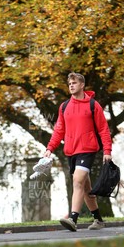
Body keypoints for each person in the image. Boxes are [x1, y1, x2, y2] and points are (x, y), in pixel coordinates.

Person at [43, 72, 112, 232]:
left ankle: (73, 218)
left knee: (78, 181)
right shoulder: (64, 106)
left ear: (82, 85)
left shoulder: (93, 105)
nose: (71, 86)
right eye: (69, 84)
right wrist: (49, 148)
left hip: (87, 149)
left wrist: (107, 150)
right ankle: (98, 220)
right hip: (71, 151)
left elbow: (103, 129)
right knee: (86, 188)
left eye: (74, 83)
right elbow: (59, 129)